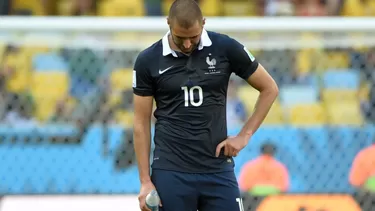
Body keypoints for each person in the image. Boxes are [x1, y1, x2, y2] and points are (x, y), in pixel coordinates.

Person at [132, 0, 279, 210]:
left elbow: (269, 88)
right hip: (171, 171)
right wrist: (145, 182)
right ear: (168, 24)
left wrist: (244, 135)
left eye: (193, 37)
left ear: (203, 23)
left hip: (217, 168)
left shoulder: (225, 48)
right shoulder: (148, 60)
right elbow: (140, 121)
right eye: (180, 38)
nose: (187, 45)